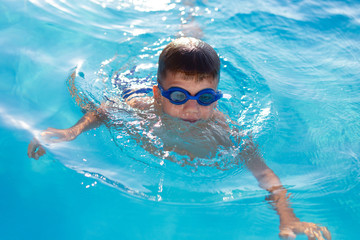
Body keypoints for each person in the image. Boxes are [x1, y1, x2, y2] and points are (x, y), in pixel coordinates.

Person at [28, 37, 331, 240]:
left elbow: (264, 172)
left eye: (205, 97)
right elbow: (104, 111)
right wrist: (71, 132)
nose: (192, 107)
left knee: (192, 36)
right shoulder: (142, 106)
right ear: (160, 94)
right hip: (131, 87)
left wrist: (288, 218)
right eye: (178, 95)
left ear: (216, 97)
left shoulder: (225, 129)